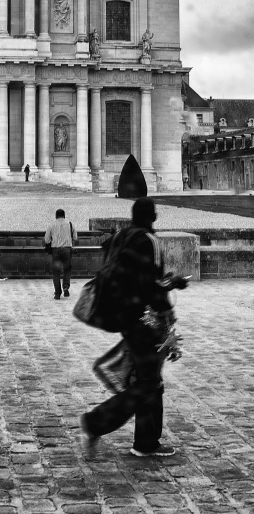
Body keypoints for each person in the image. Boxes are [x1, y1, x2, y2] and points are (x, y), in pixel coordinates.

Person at [79, 197, 189, 460]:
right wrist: (172, 284)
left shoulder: (121, 237)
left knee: (149, 380)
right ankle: (96, 422)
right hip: (145, 320)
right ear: (153, 217)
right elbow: (149, 285)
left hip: (125, 317)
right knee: (148, 383)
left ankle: (146, 441)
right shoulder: (148, 241)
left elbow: (122, 274)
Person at [44, 208, 78, 300]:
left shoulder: (51, 225)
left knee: (56, 272)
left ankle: (57, 294)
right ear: (64, 215)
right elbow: (75, 237)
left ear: (56, 216)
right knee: (67, 269)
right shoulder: (70, 224)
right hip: (67, 249)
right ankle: (66, 287)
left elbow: (46, 239)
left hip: (56, 250)